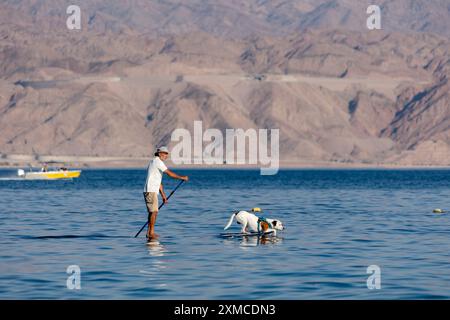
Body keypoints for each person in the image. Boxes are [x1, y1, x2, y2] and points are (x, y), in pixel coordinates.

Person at [143, 146, 188, 239]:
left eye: (167, 154)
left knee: (153, 212)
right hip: (150, 190)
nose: (166, 156)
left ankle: (149, 232)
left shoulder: (155, 162)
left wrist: (163, 196)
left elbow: (159, 183)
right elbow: (169, 173)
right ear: (159, 153)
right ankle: (150, 232)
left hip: (152, 191)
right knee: (154, 211)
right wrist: (182, 177)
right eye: (164, 153)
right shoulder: (157, 161)